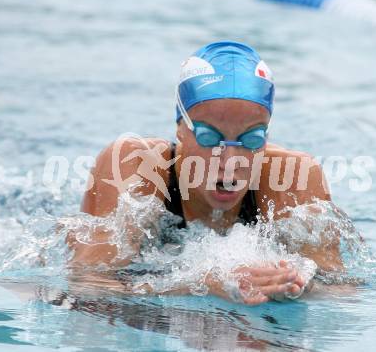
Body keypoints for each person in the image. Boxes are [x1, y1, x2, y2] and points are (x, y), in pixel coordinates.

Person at [69, 41, 344, 305]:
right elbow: (89, 286)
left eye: (252, 139)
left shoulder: (294, 176)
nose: (229, 162)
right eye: (209, 138)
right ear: (180, 128)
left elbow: (343, 289)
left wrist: (296, 285)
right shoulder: (134, 165)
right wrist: (199, 284)